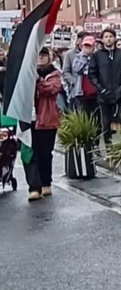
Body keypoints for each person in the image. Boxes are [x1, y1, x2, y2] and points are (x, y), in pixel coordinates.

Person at [24, 48, 63, 201]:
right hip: (28, 119)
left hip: (46, 120)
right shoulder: (26, 73)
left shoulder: (54, 74)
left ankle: (46, 183)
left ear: (49, 57)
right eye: (38, 55)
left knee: (45, 153)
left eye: (44, 55)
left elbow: (51, 90)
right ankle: (34, 187)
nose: (40, 58)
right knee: (29, 153)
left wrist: (38, 80)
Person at [88, 28, 121, 146]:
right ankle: (108, 147)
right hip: (104, 94)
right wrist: (101, 88)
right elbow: (92, 74)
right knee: (106, 122)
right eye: (106, 37)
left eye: (111, 36)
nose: (108, 39)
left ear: (115, 38)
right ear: (102, 39)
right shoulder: (97, 55)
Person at [70, 36, 98, 119]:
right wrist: (84, 57)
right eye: (85, 46)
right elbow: (76, 69)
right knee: (84, 115)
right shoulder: (78, 57)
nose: (87, 48)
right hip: (82, 90)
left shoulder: (97, 57)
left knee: (95, 114)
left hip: (95, 90)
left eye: (89, 46)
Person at [61, 31, 87, 111]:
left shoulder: (93, 53)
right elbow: (65, 72)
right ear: (79, 40)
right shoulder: (70, 54)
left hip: (91, 90)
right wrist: (74, 81)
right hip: (76, 91)